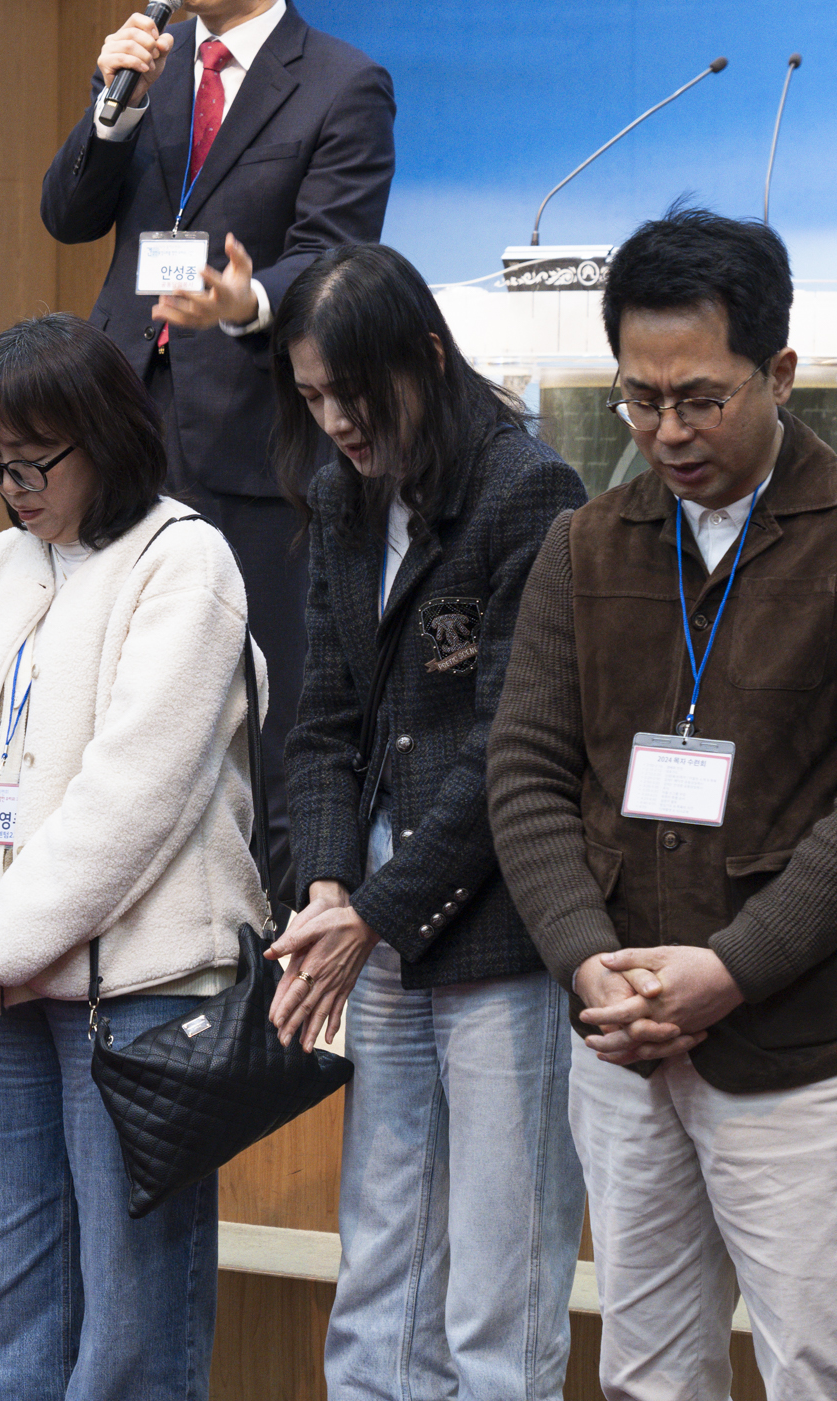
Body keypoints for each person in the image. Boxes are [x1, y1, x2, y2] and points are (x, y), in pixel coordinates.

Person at [487, 206, 837, 1401]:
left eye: (699, 398)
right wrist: (586, 963)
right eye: (639, 399)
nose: (665, 431)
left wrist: (731, 969)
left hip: (800, 1045)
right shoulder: (583, 547)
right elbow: (527, 773)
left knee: (819, 1373)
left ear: (779, 373)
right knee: (648, 1375)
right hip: (623, 1042)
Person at [0, 312, 268, 1401]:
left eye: (31, 460)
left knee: (133, 1313)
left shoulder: (182, 559)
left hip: (138, 993)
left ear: (103, 435)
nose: (11, 485)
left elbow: (134, 793)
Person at [262, 244, 588, 1400]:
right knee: (380, 1257)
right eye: (312, 398)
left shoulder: (526, 491)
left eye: (355, 393)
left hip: (497, 929)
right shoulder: (338, 497)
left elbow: (513, 753)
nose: (338, 422)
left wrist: (372, 914)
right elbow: (320, 723)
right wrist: (324, 888)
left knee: (500, 1276)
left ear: (429, 358)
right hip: (374, 919)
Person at [41, 0, 395, 884]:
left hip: (251, 426)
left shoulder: (342, 82)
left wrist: (251, 301)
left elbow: (335, 252)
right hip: (119, 418)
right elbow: (68, 215)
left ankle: (272, 927)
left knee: (262, 700)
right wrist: (113, 111)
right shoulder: (150, 68)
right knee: (105, 676)